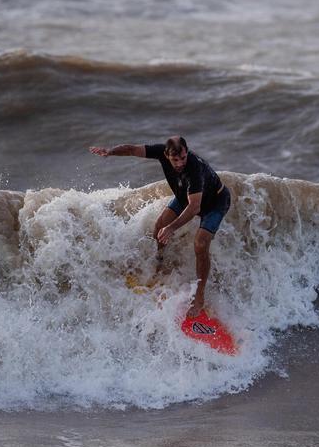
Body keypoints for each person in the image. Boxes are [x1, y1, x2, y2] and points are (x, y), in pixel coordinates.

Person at [89, 136, 230, 318]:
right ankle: (161, 262)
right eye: (175, 160)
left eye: (183, 158)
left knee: (200, 244)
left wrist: (172, 228)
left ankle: (200, 296)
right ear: (166, 154)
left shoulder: (194, 168)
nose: (179, 163)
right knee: (159, 226)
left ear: (187, 152)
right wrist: (110, 152)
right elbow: (132, 149)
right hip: (185, 196)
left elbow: (195, 207)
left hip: (215, 202)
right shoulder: (161, 152)